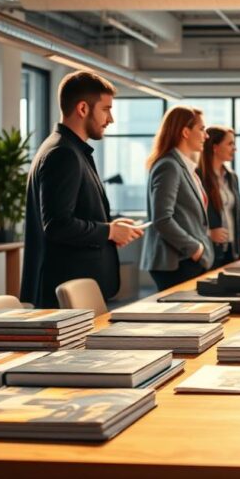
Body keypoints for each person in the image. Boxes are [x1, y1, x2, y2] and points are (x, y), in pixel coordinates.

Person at [20, 71, 143, 308]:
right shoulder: (62, 153)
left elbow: (77, 214)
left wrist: (114, 227)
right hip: (65, 295)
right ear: (83, 109)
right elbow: (57, 225)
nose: (111, 119)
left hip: (75, 291)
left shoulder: (70, 149)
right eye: (106, 109)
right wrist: (108, 232)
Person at [140, 106, 215, 291]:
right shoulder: (169, 166)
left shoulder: (184, 167)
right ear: (185, 132)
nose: (206, 135)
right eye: (202, 129)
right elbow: (162, 219)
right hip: (176, 263)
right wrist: (196, 249)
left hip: (185, 260)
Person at [200, 125, 240, 267]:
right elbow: (191, 216)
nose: (235, 148)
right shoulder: (199, 176)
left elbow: (238, 212)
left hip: (232, 249)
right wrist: (208, 233)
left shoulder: (231, 176)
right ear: (215, 147)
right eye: (230, 144)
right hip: (210, 249)